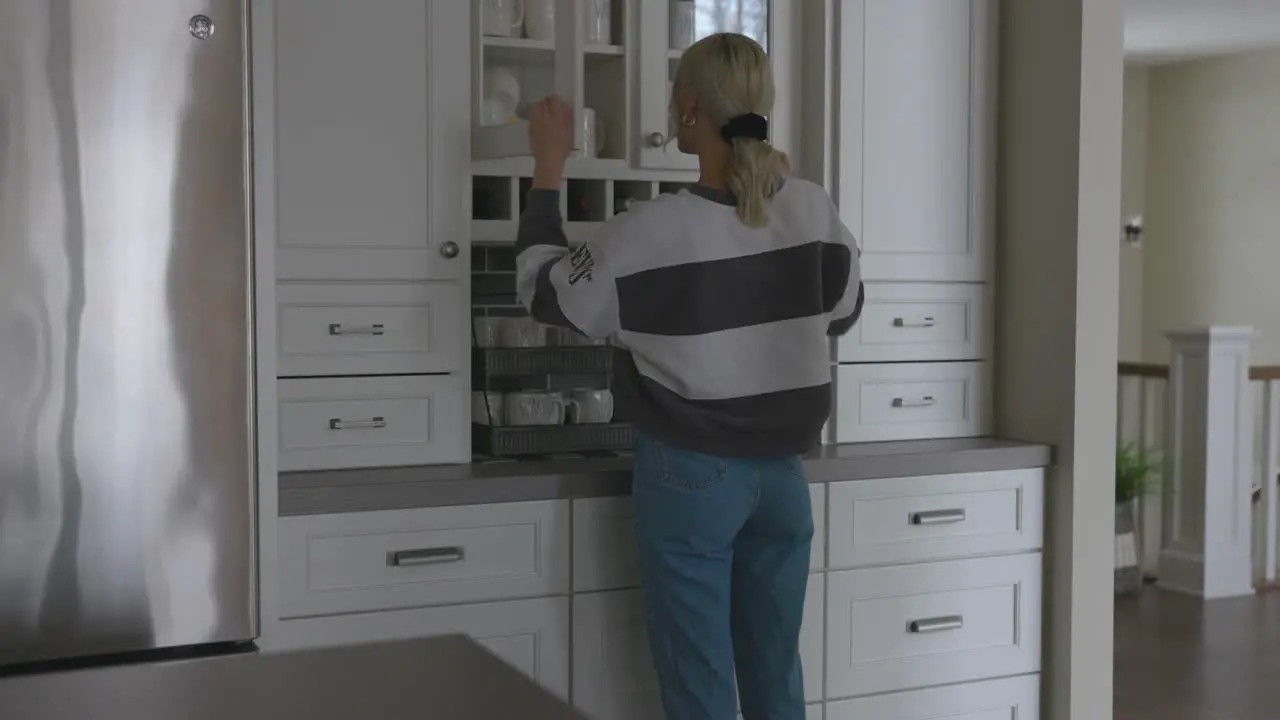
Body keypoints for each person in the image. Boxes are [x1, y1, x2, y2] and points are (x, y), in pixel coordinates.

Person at [516, 32, 863, 720]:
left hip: (692, 477)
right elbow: (843, 315)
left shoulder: (650, 231)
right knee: (776, 678)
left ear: (688, 112)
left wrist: (548, 168)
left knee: (699, 687)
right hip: (784, 483)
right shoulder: (812, 209)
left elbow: (541, 292)